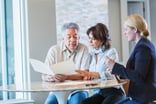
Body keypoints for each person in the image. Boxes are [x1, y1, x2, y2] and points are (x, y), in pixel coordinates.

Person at [106, 14, 156, 104]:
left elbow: (139, 76)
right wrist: (115, 70)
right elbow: (134, 73)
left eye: (126, 29)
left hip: (144, 99)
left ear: (135, 29)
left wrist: (116, 67)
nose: (124, 33)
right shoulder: (144, 44)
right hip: (139, 97)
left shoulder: (143, 48)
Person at [42, 22, 91, 104]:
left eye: (75, 36)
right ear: (63, 38)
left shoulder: (84, 49)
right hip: (58, 90)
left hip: (78, 90)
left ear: (79, 37)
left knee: (76, 102)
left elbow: (85, 74)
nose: (73, 40)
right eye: (69, 37)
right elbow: (44, 75)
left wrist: (66, 77)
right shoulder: (54, 50)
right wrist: (50, 77)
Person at [77, 23, 125, 104]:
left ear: (102, 40)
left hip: (113, 92)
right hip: (100, 92)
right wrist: (88, 76)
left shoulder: (111, 52)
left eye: (93, 39)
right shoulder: (91, 54)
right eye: (89, 38)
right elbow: (89, 73)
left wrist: (97, 74)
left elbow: (114, 74)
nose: (90, 41)